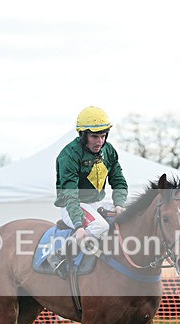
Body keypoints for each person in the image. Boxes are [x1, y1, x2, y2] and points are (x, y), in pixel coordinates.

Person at [47, 106, 127, 273]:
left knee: (130, 217)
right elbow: (70, 195)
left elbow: (118, 181)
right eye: (94, 136)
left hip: (97, 202)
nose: (99, 142)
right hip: (72, 205)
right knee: (101, 227)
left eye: (103, 136)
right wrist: (78, 225)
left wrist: (119, 204)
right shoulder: (69, 155)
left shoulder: (109, 150)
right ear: (83, 135)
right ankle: (61, 253)